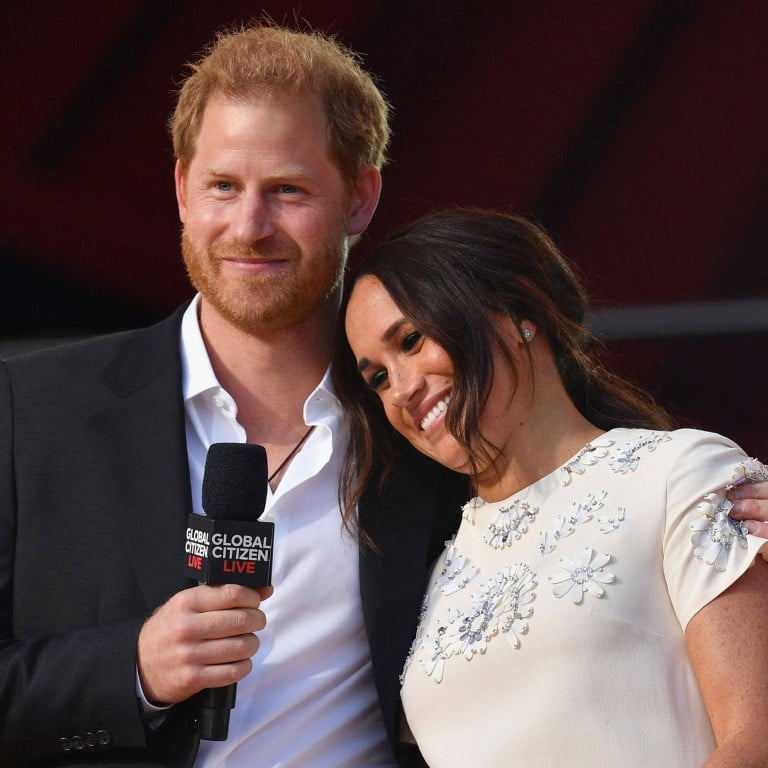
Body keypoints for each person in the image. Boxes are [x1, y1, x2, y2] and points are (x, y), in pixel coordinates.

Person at [0, 22, 468, 767]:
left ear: (359, 198)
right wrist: (131, 670)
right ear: (183, 189)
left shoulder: (429, 421)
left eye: (287, 190)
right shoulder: (30, 411)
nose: (250, 228)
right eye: (223, 186)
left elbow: (591, 473)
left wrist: (707, 499)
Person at [335, 208, 768, 767]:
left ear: (518, 310)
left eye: (413, 340)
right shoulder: (435, 570)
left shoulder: (678, 476)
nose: (401, 389)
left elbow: (755, 744)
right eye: (377, 377)